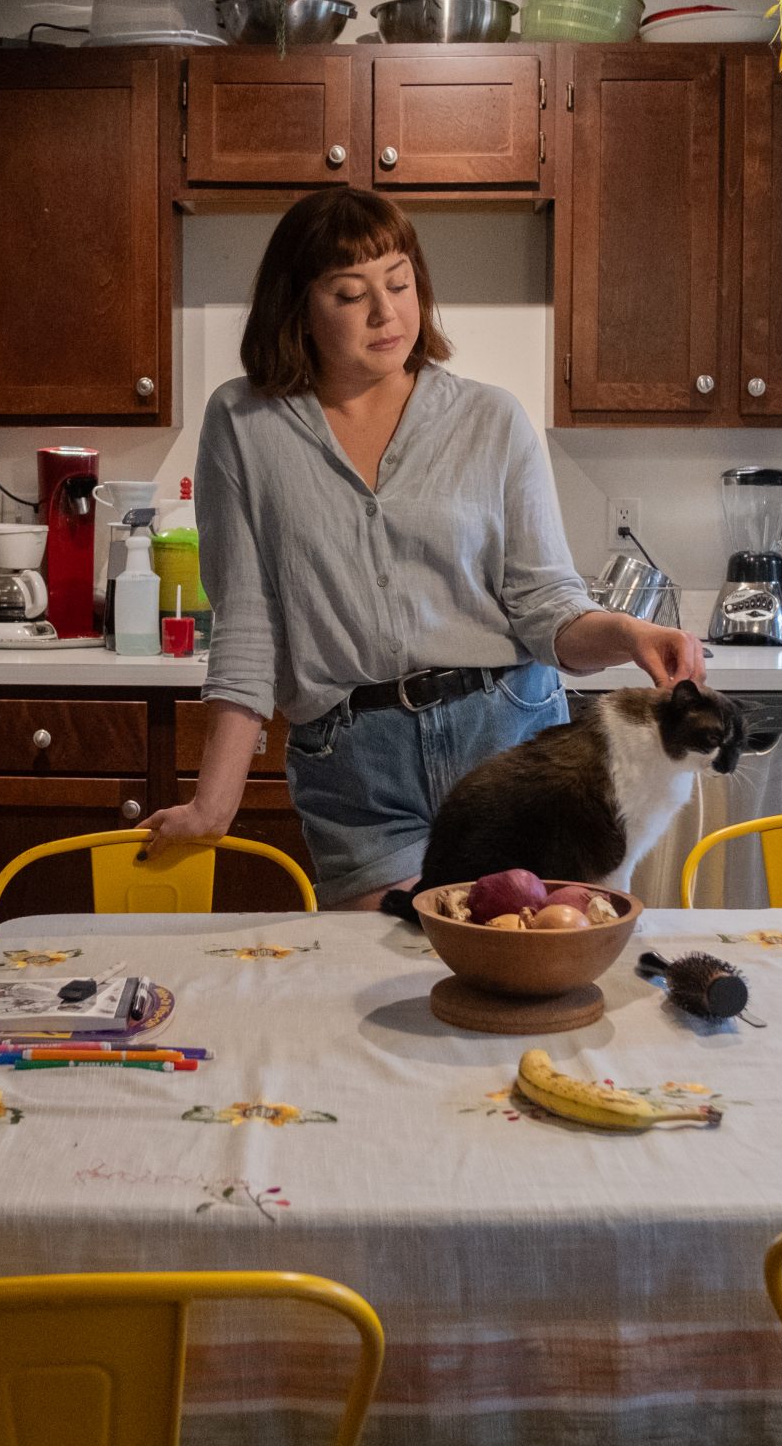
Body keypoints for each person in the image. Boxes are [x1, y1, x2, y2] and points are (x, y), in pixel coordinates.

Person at [142, 186, 703, 911]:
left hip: (511, 749)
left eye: (400, 283)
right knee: (382, 979)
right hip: (355, 763)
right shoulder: (245, 423)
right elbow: (249, 622)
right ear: (298, 306)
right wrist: (213, 806)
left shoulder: (491, 419)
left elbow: (545, 607)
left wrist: (628, 634)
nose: (386, 312)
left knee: (525, 971)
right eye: (350, 293)